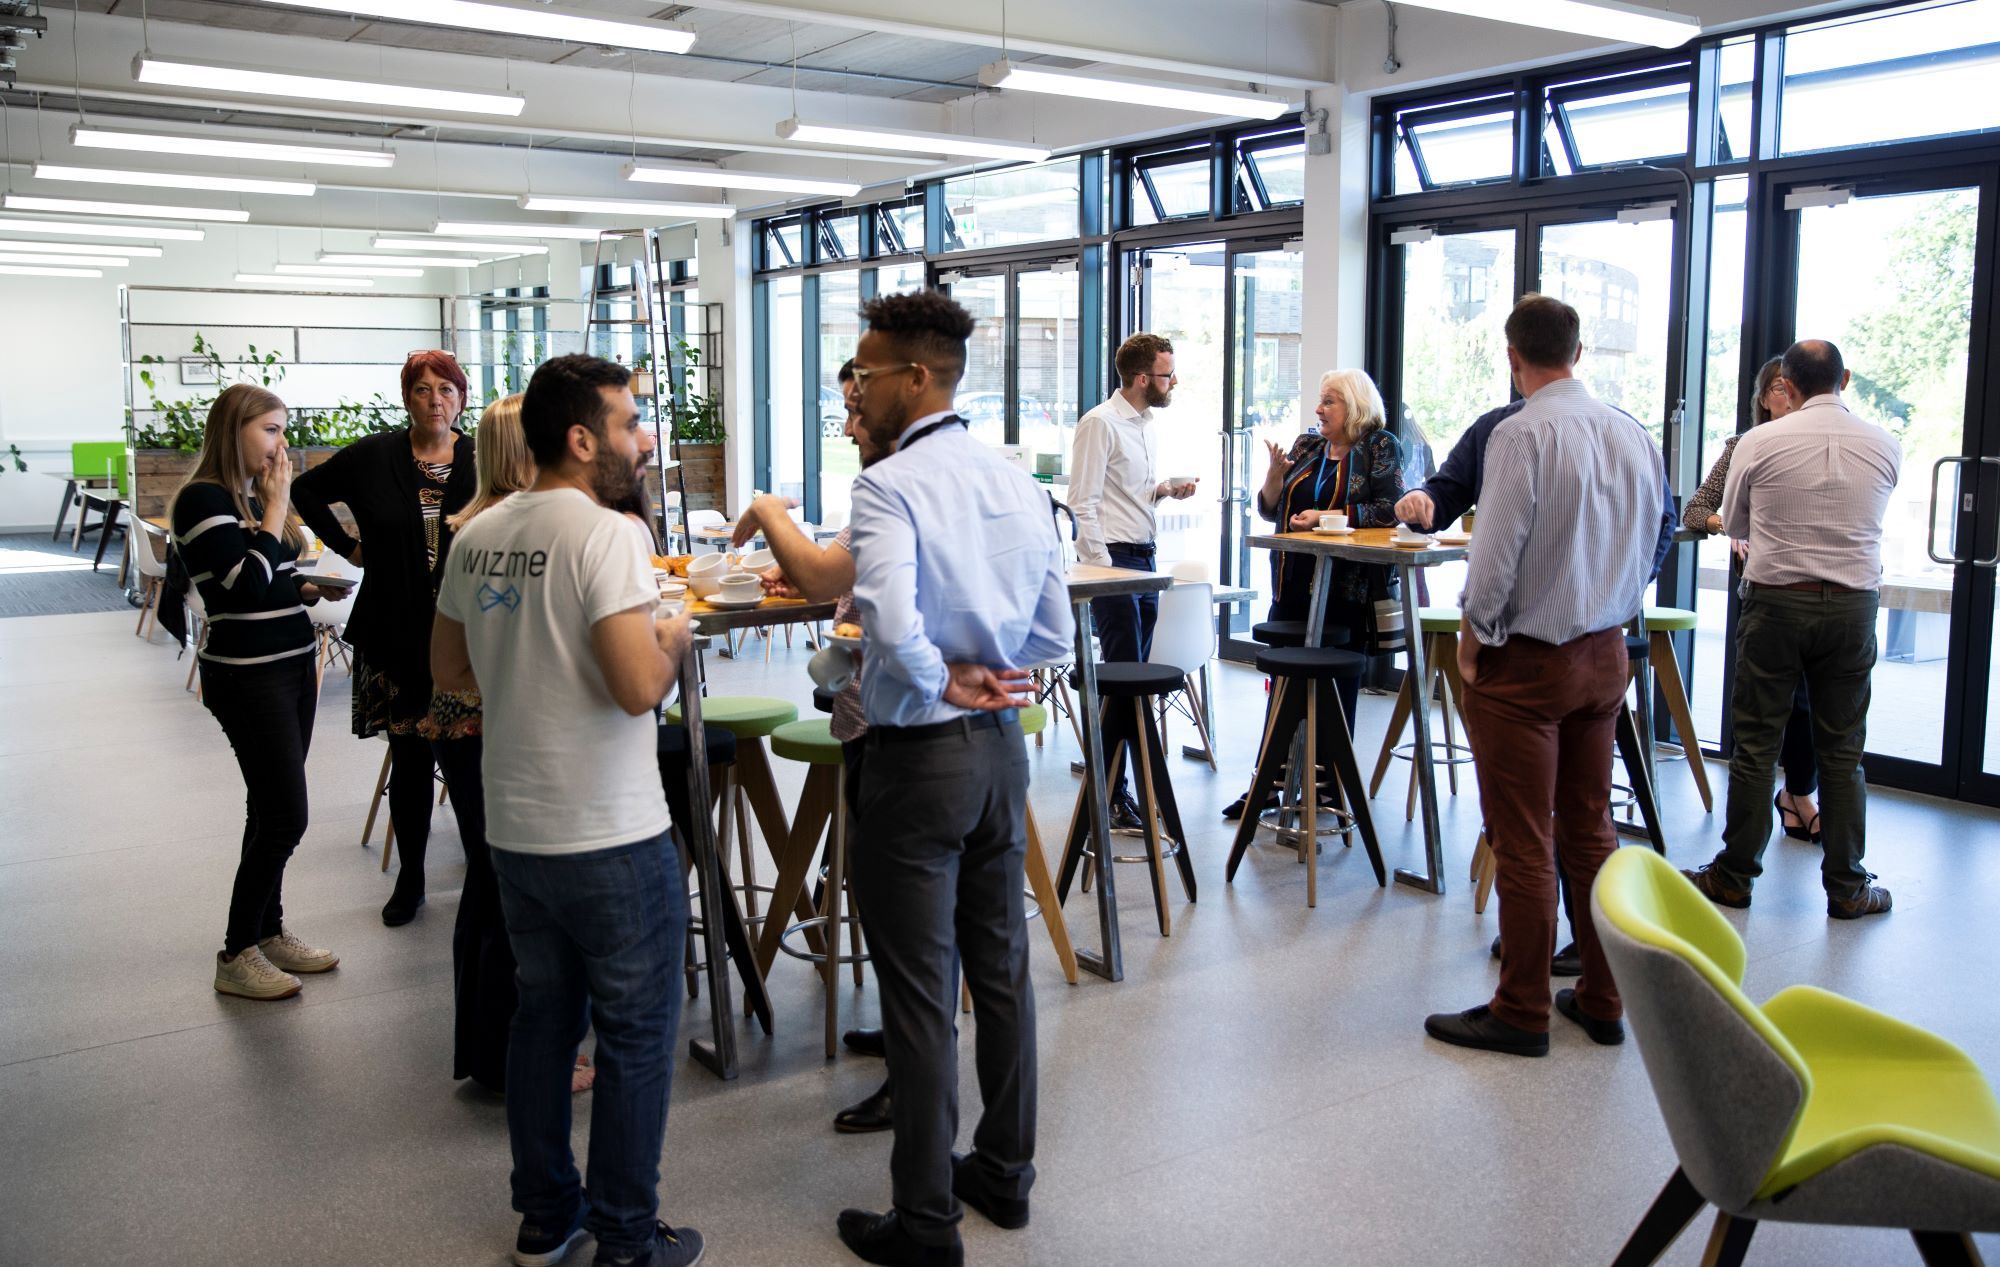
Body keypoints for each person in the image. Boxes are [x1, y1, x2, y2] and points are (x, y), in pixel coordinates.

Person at [431, 354, 702, 1267]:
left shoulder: (479, 533)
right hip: (612, 832)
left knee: (544, 1019)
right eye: (628, 422)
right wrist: (673, 636)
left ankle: (547, 1217)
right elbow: (635, 690)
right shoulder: (609, 534)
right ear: (582, 438)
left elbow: (449, 672)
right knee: (633, 1033)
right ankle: (625, 1241)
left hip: (517, 828)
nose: (642, 437)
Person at [837, 290, 1074, 1267]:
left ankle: (926, 1223)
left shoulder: (887, 485)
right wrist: (994, 676)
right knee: (1002, 971)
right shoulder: (1013, 479)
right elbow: (1055, 628)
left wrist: (939, 676)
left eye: (864, 373)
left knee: (921, 995)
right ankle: (1003, 1176)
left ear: (916, 377)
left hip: (917, 762)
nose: (854, 389)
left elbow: (889, 622)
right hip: (996, 755)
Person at [1423, 294, 1666, 1058]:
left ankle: (1522, 1006)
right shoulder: (1633, 433)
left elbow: (1490, 564)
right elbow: (1657, 532)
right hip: (1606, 654)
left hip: (1530, 663)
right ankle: (1602, 995)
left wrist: (1472, 640)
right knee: (1591, 830)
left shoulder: (1520, 434)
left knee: (1521, 839)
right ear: (1580, 351)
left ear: (1512, 356)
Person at [731, 359, 896, 1135]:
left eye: (855, 412)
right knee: (890, 893)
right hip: (882, 707)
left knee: (899, 904)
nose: (849, 425)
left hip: (894, 716)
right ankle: (906, 1038)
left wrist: (767, 511)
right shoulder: (904, 482)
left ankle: (914, 1074)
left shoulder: (891, 483)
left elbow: (834, 568)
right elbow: (841, 569)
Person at [1683, 340, 1899, 920]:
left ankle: (1734, 877)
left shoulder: (1758, 441)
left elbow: (1739, 522)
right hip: (1853, 607)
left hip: (1776, 602)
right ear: (1845, 379)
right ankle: (1848, 889)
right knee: (1844, 752)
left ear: (1789, 385)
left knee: (1756, 746)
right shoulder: (1885, 444)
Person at [293, 349, 477, 926]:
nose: (435, 401)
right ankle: (412, 877)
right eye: (423, 390)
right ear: (407, 398)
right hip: (396, 629)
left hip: (468, 636)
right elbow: (305, 491)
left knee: (472, 759)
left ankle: (486, 876)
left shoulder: (482, 457)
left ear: (461, 398)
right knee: (411, 755)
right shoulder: (376, 455)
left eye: (446, 390)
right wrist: (348, 548)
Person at [173, 384, 337, 1001]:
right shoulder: (203, 499)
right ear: (234, 430)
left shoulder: (245, 499)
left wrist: (309, 589)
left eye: (283, 430)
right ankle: (236, 950)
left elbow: (270, 582)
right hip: (249, 677)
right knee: (287, 815)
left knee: (267, 808)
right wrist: (276, 510)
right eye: (270, 429)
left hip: (292, 666)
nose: (281, 444)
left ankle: (267, 929)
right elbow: (240, 589)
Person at [1222, 369, 1403, 821]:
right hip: (1292, 582)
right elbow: (1271, 510)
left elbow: (1390, 509)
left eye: (1330, 401)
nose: (1319, 410)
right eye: (1320, 400)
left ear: (1356, 407)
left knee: (1335, 690)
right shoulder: (1307, 447)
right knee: (1284, 687)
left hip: (1346, 589)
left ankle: (1327, 788)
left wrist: (1328, 517)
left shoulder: (1379, 446)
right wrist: (1274, 477)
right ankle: (1268, 783)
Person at [1683, 356, 1821, 842]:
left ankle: (1798, 793)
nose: (1788, 396)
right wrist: (1731, 529)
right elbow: (1698, 508)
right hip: (1764, 588)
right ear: (1764, 398)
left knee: (1807, 701)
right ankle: (1783, 808)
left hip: (1815, 587)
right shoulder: (1744, 445)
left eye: (1793, 387)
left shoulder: (1822, 440)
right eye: (1778, 389)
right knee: (1768, 708)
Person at [1067, 332, 1198, 830]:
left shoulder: (1145, 424)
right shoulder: (1099, 424)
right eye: (1167, 374)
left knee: (1135, 674)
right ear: (1143, 378)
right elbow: (1083, 503)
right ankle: (1114, 792)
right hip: (1113, 564)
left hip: (1144, 559)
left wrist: (1164, 490)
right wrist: (1102, 572)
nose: (1173, 381)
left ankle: (1119, 783)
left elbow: (1130, 493)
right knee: (1121, 677)